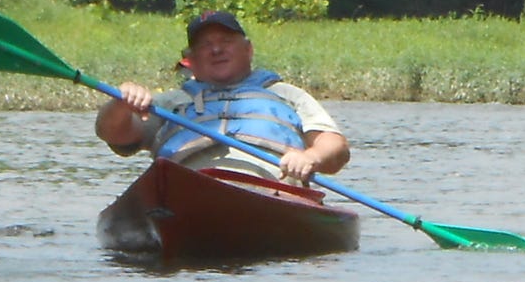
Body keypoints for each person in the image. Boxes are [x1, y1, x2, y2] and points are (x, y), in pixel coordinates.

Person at [96, 9, 348, 185]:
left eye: (226, 41)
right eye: (205, 45)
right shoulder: (170, 102)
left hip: (274, 190)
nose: (216, 49)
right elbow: (113, 134)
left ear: (248, 49)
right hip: (185, 191)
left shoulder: (285, 94)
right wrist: (120, 104)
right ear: (191, 59)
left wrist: (310, 157)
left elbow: (335, 147)